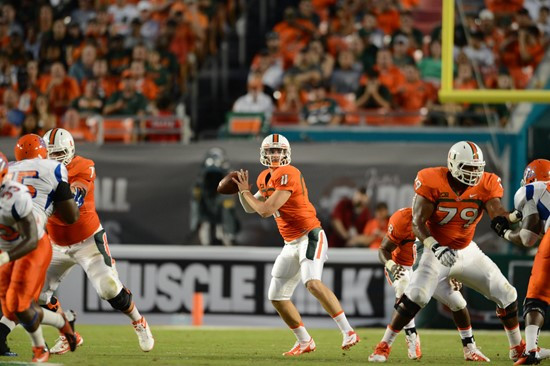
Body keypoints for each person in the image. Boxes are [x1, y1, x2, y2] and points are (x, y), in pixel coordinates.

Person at [369, 141, 526, 363]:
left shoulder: (487, 183)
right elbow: (418, 223)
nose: (474, 173)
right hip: (436, 250)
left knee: (507, 294)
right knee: (417, 295)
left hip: (467, 251)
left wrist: (514, 216)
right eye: (468, 167)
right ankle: (383, 345)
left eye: (477, 168)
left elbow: (497, 212)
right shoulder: (432, 179)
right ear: (453, 164)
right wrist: (435, 246)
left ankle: (517, 348)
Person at [232, 133, 359, 355]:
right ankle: (304, 341)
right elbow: (249, 207)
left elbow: (265, 210)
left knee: (312, 283)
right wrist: (242, 193)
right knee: (277, 296)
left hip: (310, 234)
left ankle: (348, 331)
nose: (275, 154)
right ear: (264, 153)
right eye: (271, 150)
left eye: (279, 150)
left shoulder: (289, 172)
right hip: (290, 242)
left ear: (286, 153)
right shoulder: (264, 177)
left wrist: (244, 192)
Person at [39, 128, 154, 354]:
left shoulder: (83, 165)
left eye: (59, 153)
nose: (54, 159)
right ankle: (68, 334)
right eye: (50, 154)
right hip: (55, 244)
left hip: (87, 241)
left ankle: (139, 321)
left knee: (109, 289)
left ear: (70, 150)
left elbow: (75, 196)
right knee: (36, 294)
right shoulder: (39, 169)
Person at [0, 134, 81, 358]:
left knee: (21, 305)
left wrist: (5, 258)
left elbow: (31, 237)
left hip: (31, 243)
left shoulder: (14, 195)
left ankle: (40, 348)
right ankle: (63, 322)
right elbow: (70, 215)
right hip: (11, 243)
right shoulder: (51, 168)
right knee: (12, 308)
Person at [379, 207, 490, 361]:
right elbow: (383, 249)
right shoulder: (402, 218)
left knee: (457, 302)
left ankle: (470, 347)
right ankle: (410, 335)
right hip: (402, 265)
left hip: (428, 268)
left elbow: (451, 253)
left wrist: (452, 272)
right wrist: (391, 265)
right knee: (404, 285)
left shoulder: (442, 221)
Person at [491, 159, 550, 365]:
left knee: (537, 296)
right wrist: (513, 217)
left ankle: (532, 349)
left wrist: (506, 233)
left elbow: (528, 237)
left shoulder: (529, 190)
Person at [190, 147, 239, 245]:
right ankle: (203, 236)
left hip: (222, 196)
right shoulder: (201, 180)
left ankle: (229, 236)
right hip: (207, 209)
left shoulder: (226, 172)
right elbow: (195, 203)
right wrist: (195, 226)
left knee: (227, 208)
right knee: (198, 206)